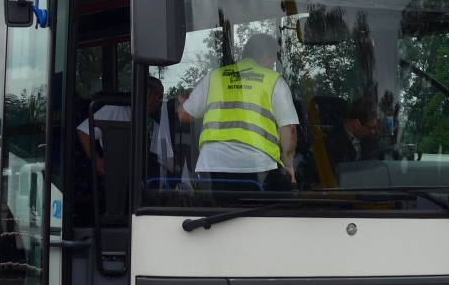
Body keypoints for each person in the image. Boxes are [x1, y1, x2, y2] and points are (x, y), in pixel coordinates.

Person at [179, 32, 298, 188]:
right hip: (257, 166)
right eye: (273, 61)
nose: (273, 66)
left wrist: (184, 100)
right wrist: (288, 164)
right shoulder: (274, 80)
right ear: (266, 56)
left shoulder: (215, 77)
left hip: (211, 165)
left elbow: (184, 115)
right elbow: (289, 129)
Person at [76, 76, 168, 181]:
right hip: (116, 176)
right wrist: (97, 161)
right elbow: (83, 131)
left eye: (160, 97)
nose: (158, 101)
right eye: (155, 95)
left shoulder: (153, 125)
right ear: (144, 92)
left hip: (141, 179)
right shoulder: (117, 109)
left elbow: (165, 158)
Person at [324, 96, 387, 167]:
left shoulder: (370, 139)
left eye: (374, 127)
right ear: (356, 123)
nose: (373, 132)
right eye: (370, 128)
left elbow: (380, 164)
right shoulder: (333, 141)